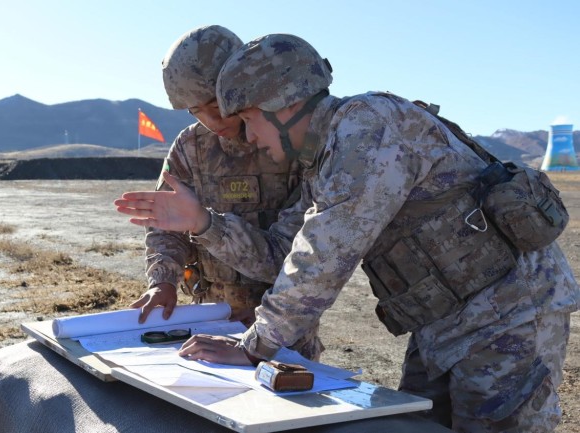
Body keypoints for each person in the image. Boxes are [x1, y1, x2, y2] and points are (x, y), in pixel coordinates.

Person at [116, 33, 580, 432]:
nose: (245, 135)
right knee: (414, 426)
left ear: (285, 106)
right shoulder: (326, 154)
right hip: (444, 323)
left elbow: (321, 257)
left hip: (507, 315)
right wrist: (201, 228)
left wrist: (254, 346)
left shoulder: (366, 132)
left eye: (250, 119)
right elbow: (286, 250)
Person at [117, 26, 322, 360]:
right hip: (210, 322)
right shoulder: (190, 146)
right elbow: (165, 224)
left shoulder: (294, 143)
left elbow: (299, 254)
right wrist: (163, 280)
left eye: (216, 104)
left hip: (282, 330)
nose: (212, 120)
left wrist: (261, 321)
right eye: (196, 111)